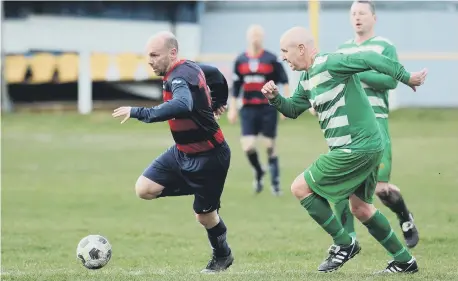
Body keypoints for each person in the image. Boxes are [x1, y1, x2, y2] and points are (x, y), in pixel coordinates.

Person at [261, 26, 427, 274]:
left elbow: (368, 58)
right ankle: (404, 261)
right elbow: (294, 108)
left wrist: (406, 77)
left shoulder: (329, 62)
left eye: (285, 51)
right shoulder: (307, 78)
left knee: (299, 187)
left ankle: (344, 243)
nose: (283, 57)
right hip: (365, 147)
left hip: (357, 147)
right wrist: (275, 98)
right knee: (360, 208)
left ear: (301, 49)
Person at [112, 31, 233, 273]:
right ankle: (199, 189)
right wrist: (220, 101)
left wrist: (139, 112)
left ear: (172, 53)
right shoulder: (188, 68)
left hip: (210, 157)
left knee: (205, 217)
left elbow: (182, 104)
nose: (150, 60)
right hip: (182, 153)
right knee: (144, 189)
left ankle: (223, 255)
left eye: (155, 55)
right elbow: (215, 75)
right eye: (148, 55)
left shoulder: (179, 77)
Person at [333, 0, 419, 249]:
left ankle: (404, 216)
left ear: (374, 18)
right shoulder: (343, 49)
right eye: (353, 13)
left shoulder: (385, 46)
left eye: (362, 13)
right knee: (345, 185)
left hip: (376, 122)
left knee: (382, 189)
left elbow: (391, 80)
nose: (357, 17)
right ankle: (346, 241)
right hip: (349, 126)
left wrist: (356, 71)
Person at [227, 24, 290, 195]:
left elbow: (284, 81)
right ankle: (259, 171)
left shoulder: (271, 59)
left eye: (258, 34)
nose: (255, 37)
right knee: (248, 146)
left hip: (267, 107)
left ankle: (275, 184)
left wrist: (285, 106)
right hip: (247, 108)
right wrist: (232, 109)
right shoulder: (240, 60)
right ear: (248, 37)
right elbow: (235, 87)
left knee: (269, 145)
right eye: (253, 34)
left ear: (263, 37)